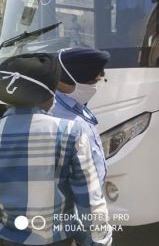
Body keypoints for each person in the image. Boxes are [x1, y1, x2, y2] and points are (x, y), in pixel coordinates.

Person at [0, 53, 112, 246]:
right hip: (56, 238)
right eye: (53, 91)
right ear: (43, 95)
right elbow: (89, 201)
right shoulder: (70, 132)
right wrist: (99, 241)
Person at [51, 47, 110, 186]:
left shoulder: (74, 104)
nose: (94, 87)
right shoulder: (58, 117)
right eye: (91, 83)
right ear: (63, 81)